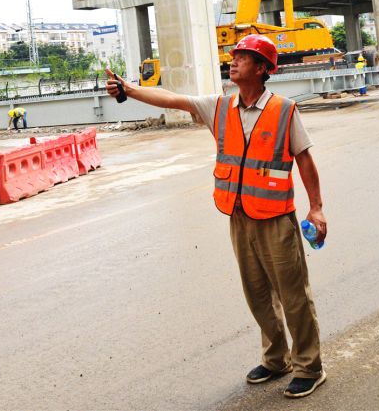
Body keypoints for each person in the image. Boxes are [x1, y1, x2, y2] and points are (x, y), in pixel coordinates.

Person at [105, 35, 327, 398]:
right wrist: (129, 89)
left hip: (275, 217)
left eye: (243, 57)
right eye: (234, 55)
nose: (233, 61)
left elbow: (304, 159)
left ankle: (309, 366)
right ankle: (276, 359)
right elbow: (173, 99)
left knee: (293, 295)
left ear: (261, 68)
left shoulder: (284, 110)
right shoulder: (219, 107)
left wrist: (315, 207)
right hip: (238, 215)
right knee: (257, 294)